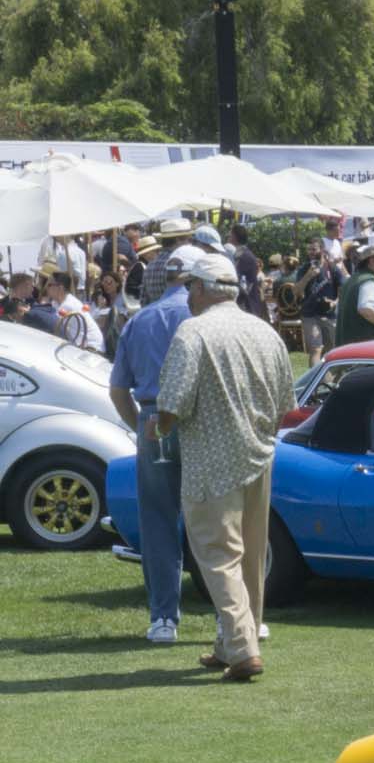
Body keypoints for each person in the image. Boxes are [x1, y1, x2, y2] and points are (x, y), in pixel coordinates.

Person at [151, 254, 293, 682]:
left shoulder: (193, 332)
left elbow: (172, 401)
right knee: (249, 557)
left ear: (206, 288)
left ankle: (242, 647)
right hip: (259, 455)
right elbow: (287, 402)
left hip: (212, 461)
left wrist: (159, 430)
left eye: (191, 286)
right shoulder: (264, 330)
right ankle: (229, 641)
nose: (188, 294)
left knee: (217, 554)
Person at [109, 250, 198, 645]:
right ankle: (224, 618)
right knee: (212, 520)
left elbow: (117, 390)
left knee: (158, 521)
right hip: (197, 421)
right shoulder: (201, 318)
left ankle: (164, 618)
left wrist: (141, 426)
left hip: (151, 418)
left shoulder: (140, 319)